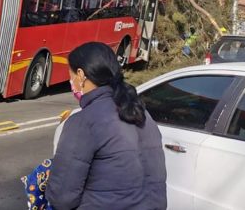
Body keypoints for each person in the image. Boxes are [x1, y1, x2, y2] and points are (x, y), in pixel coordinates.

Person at [47, 42, 166, 210]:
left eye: (71, 75)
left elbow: (62, 198)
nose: (71, 81)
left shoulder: (83, 122)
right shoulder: (143, 114)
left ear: (81, 75)